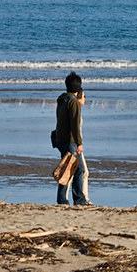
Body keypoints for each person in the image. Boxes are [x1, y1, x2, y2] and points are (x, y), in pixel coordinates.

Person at [53, 72, 91, 206]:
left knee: (67, 168)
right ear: (78, 88)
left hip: (61, 139)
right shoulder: (73, 102)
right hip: (70, 141)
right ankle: (79, 199)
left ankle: (62, 199)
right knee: (78, 169)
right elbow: (75, 124)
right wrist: (79, 143)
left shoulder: (62, 99)